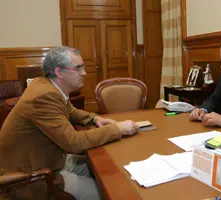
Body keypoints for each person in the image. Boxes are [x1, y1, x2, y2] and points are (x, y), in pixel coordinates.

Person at [0, 46, 139, 199]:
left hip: (50, 159)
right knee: (113, 192)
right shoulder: (44, 96)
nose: (84, 73)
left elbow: (71, 111)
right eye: (78, 68)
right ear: (59, 72)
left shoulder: (46, 85)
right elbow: (74, 142)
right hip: (32, 177)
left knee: (111, 170)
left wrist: (94, 118)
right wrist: (118, 129)